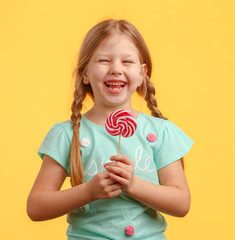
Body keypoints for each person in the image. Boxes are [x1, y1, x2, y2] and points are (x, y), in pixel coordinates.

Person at [27, 19, 194, 239]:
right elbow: (36, 207)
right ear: (85, 73)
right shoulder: (68, 135)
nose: (116, 69)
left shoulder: (160, 132)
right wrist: (88, 192)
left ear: (142, 73)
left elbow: (181, 203)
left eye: (127, 61)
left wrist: (133, 184)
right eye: (104, 60)